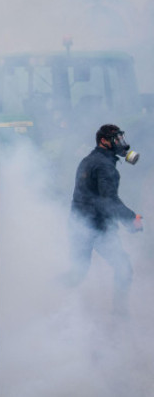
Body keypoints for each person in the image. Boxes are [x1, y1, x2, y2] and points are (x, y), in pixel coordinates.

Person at [63, 124, 143, 314]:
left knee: (77, 273)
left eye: (120, 138)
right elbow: (109, 200)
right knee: (123, 268)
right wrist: (131, 219)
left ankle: (45, 297)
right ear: (104, 141)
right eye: (116, 139)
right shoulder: (104, 166)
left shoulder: (90, 160)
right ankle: (120, 314)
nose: (121, 143)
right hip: (95, 226)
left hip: (81, 224)